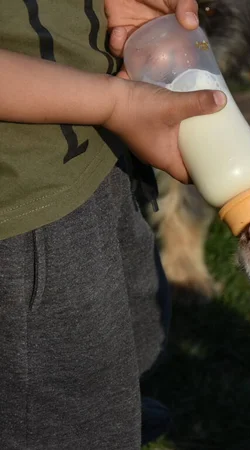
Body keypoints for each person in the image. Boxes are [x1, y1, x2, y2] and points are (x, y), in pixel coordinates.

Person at [0, 1, 224, 448]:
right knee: (61, 386)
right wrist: (114, 102)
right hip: (26, 202)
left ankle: (111, 406)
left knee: (137, 319)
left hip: (96, 148)